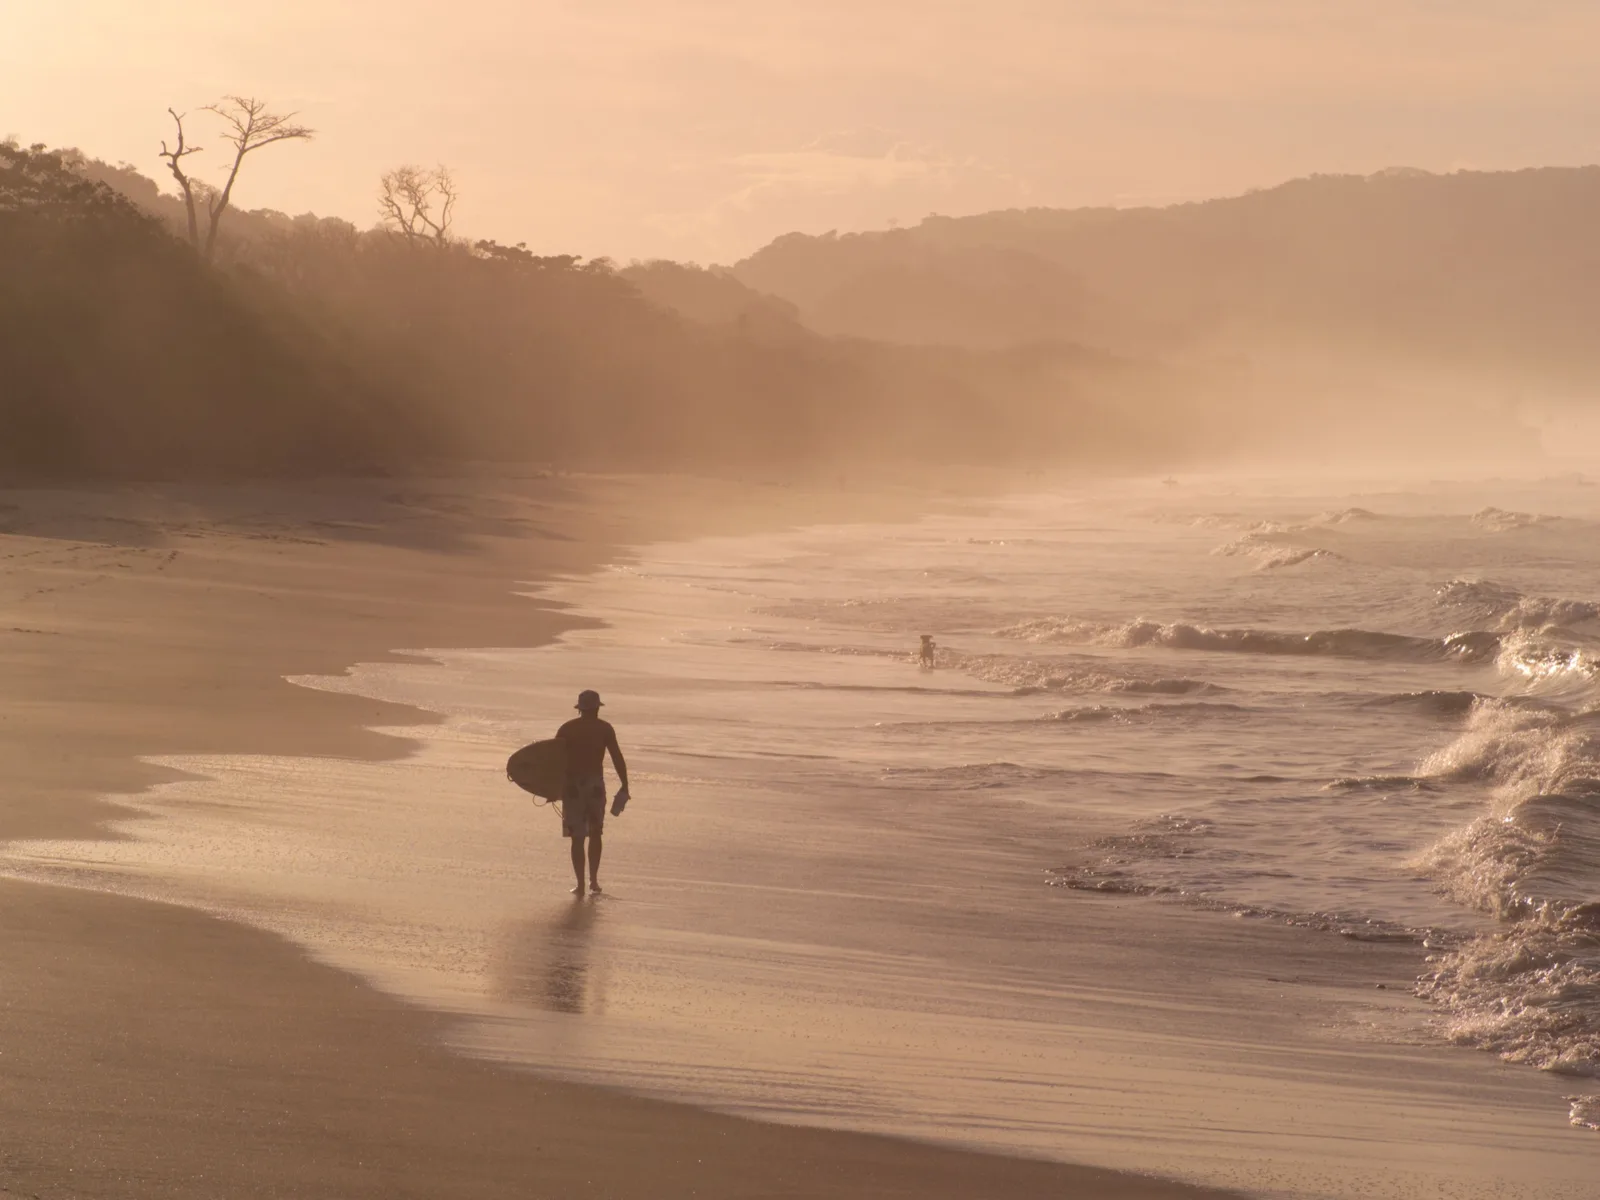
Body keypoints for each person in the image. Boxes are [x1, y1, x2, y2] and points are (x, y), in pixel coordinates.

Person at [555, 689, 630, 895]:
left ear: (580, 709)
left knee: (577, 837)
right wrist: (625, 784)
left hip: (572, 787)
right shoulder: (604, 729)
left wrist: (551, 788)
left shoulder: (567, 729)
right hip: (595, 786)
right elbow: (617, 757)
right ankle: (593, 882)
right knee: (596, 833)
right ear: (597, 708)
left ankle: (580, 884)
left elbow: (553, 759)